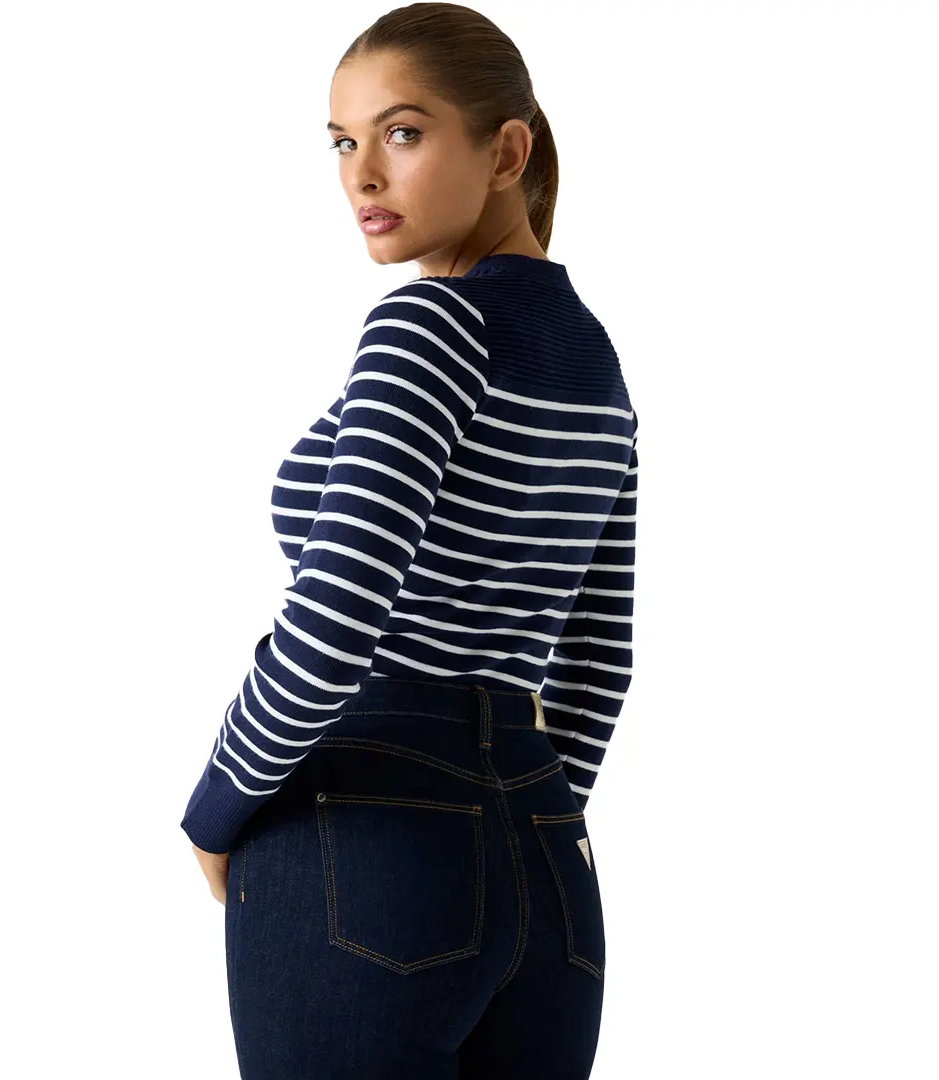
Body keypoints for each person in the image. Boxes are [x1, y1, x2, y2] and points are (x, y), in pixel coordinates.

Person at [182, 5, 638, 1077]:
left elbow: (336, 619)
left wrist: (217, 809)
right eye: (343, 142)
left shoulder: (428, 325)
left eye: (402, 132)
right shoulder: (598, 367)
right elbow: (598, 662)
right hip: (549, 867)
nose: (362, 176)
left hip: (364, 827)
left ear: (507, 152)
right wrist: (513, 822)